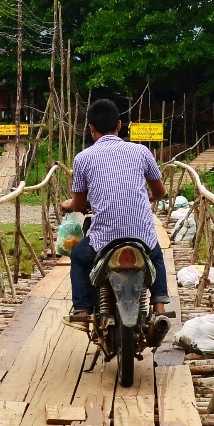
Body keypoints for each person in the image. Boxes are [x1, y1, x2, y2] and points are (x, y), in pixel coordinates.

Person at [61, 97, 171, 330]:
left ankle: (82, 310)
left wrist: (68, 205)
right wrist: (148, 197)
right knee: (157, 255)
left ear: (91, 128)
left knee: (79, 257)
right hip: (141, 235)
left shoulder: (83, 158)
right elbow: (160, 192)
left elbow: (80, 205)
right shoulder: (141, 152)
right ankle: (160, 306)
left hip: (104, 238)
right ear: (119, 125)